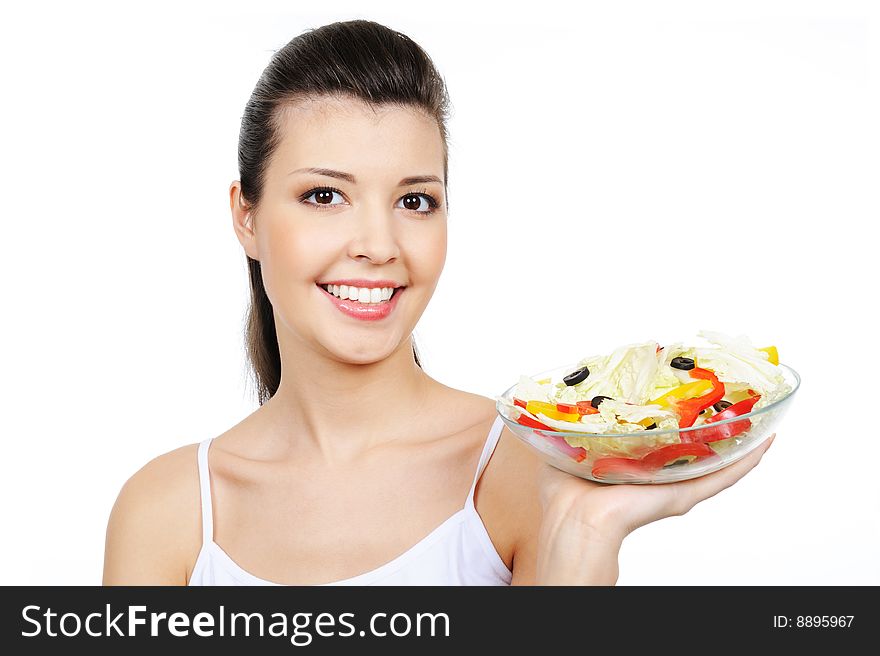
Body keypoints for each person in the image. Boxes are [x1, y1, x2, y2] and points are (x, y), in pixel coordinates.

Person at [102, 19, 775, 586]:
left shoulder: (521, 470)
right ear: (245, 216)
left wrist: (583, 540)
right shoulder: (167, 515)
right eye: (324, 196)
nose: (378, 244)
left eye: (414, 201)